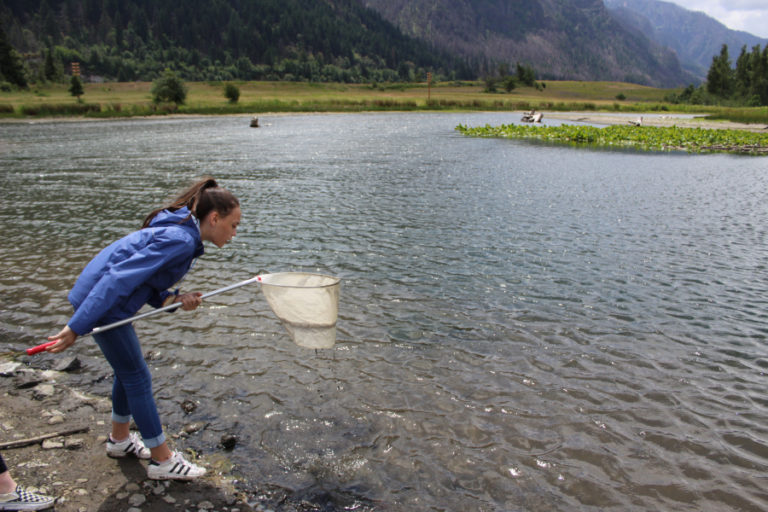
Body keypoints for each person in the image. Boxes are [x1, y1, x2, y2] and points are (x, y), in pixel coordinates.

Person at [45, 177, 241, 481]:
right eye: (233, 225)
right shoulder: (181, 240)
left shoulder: (182, 232)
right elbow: (119, 279)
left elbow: (146, 279)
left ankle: (120, 441)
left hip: (103, 299)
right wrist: (75, 327)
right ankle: (162, 460)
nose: (234, 234)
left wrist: (173, 299)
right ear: (214, 218)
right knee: (138, 376)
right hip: (103, 301)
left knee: (129, 372)